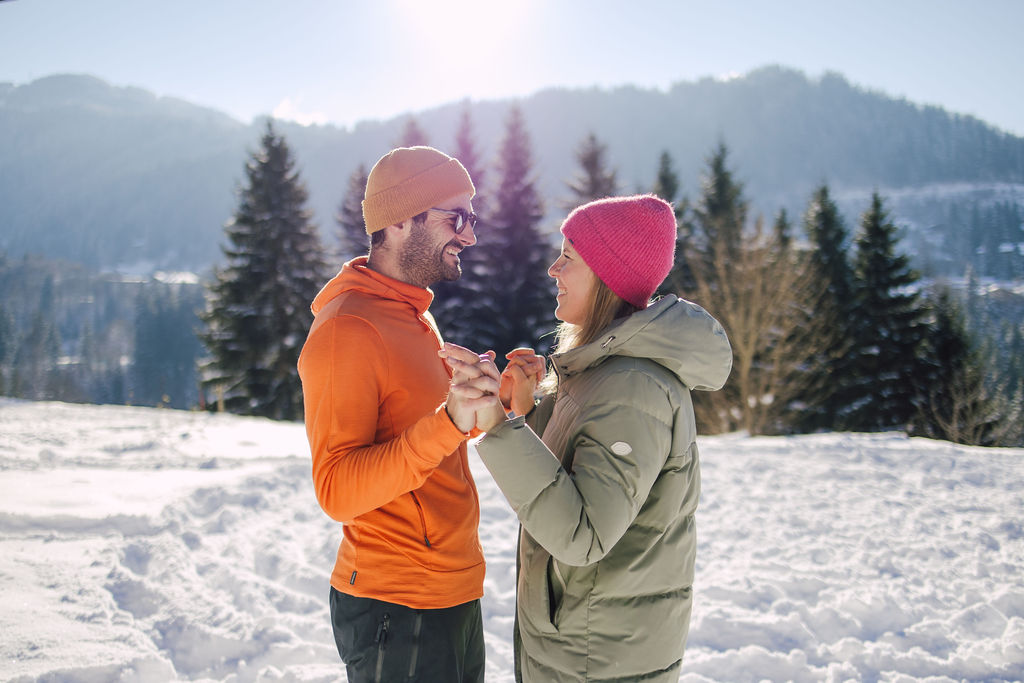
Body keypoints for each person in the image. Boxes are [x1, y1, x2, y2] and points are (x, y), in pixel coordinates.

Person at [443, 194, 733, 682]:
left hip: (597, 661)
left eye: (569, 258)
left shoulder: (632, 387)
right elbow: (574, 480)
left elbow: (583, 533)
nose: (553, 269)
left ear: (605, 276)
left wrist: (496, 423)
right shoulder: (602, 373)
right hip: (585, 647)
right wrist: (531, 407)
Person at [298, 146, 487, 682]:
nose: (470, 236)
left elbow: (424, 441)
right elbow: (336, 490)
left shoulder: (412, 316)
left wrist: (485, 403)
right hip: (397, 609)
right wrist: (447, 423)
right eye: (458, 218)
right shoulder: (348, 330)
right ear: (401, 219)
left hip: (451, 593)